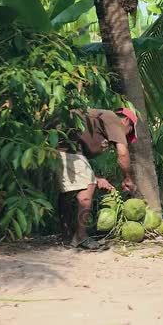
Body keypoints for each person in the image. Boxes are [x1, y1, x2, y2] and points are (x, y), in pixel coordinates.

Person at [55, 107, 138, 250]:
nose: (126, 136)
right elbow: (123, 154)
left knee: (69, 191)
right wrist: (128, 178)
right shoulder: (114, 119)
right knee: (88, 188)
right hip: (67, 147)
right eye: (130, 131)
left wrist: (96, 177)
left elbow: (83, 164)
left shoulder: (100, 124)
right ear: (126, 121)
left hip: (61, 146)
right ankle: (81, 236)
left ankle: (67, 233)